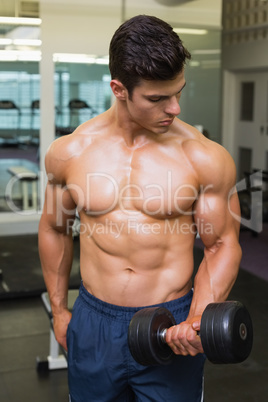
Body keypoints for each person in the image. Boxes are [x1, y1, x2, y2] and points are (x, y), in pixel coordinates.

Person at [38, 15, 242, 402]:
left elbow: (223, 244)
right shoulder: (70, 152)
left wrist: (197, 318)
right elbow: (54, 228)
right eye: (157, 98)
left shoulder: (204, 157)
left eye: (178, 92)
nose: (175, 108)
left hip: (171, 319)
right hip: (94, 321)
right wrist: (61, 310)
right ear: (119, 89)